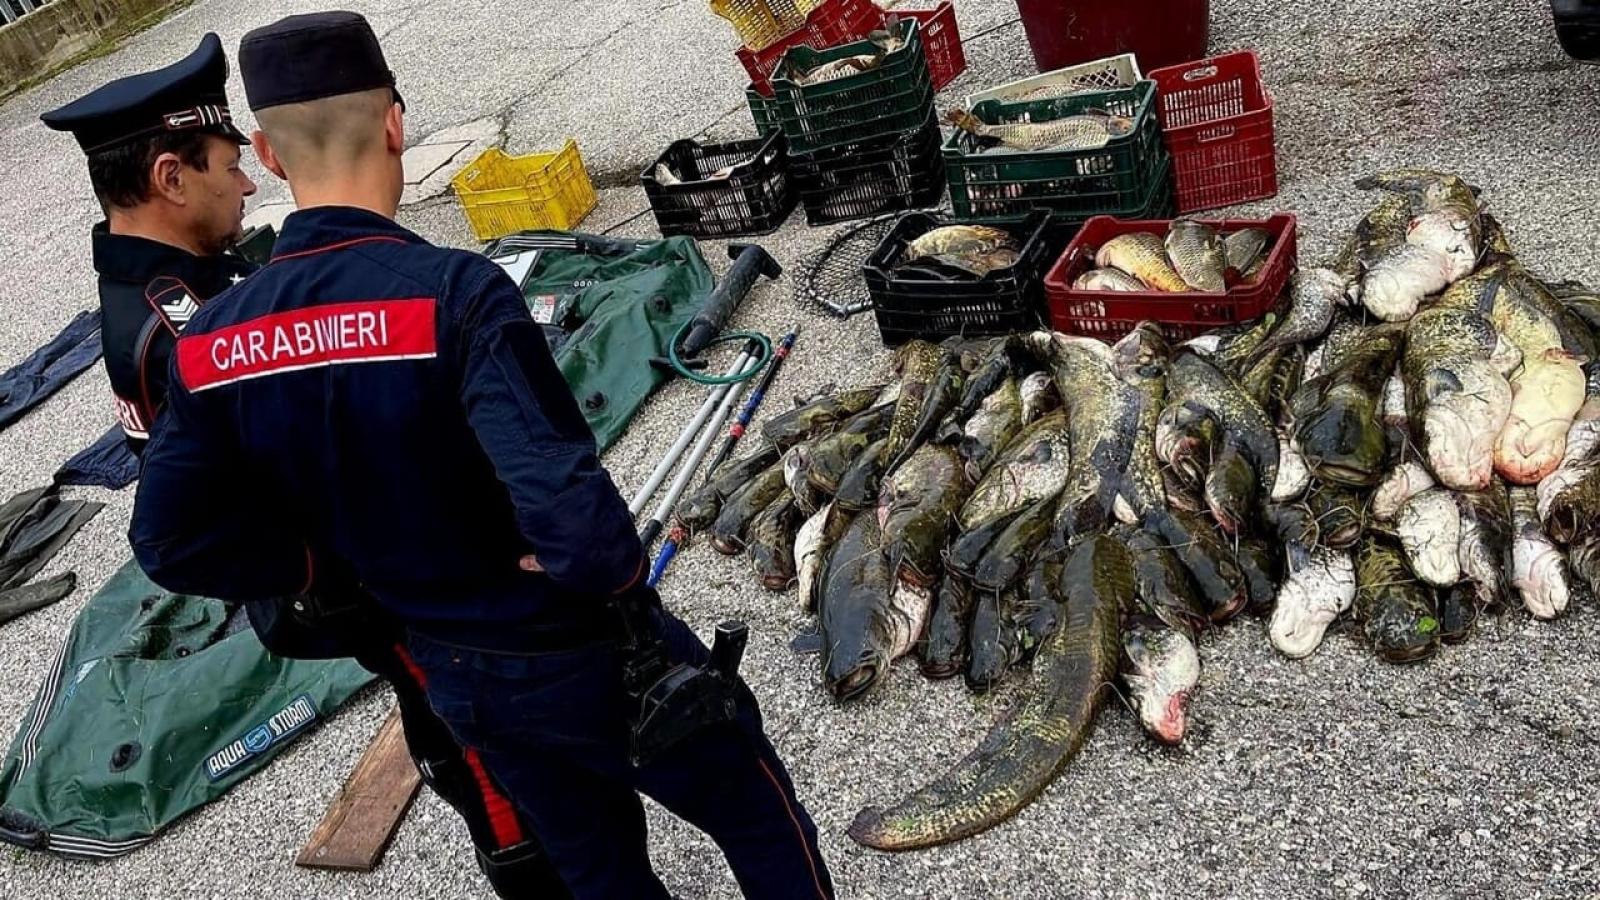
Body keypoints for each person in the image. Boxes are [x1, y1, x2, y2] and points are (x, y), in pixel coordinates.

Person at [129, 11, 836, 899]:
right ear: (395, 126)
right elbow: (586, 535)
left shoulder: (212, 341)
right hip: (581, 650)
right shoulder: (456, 295)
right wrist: (588, 563)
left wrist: (324, 563)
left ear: (270, 155)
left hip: (454, 673)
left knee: (596, 869)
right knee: (758, 819)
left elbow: (168, 541)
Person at [42, 33, 567, 900]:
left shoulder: (199, 279)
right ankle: (534, 866)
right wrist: (329, 567)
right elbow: (194, 524)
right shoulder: (167, 331)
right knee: (475, 753)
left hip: (368, 560)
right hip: (362, 579)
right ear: (171, 178)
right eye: (223, 166)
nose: (248, 183)